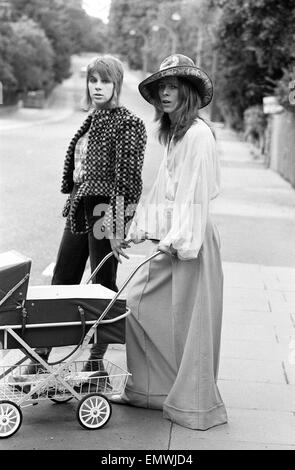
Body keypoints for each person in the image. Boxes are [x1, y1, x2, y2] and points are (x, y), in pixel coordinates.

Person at [111, 54, 228, 430]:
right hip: (175, 238)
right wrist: (141, 227)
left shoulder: (197, 134)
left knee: (190, 327)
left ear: (188, 91)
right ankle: (149, 390)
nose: (165, 92)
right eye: (162, 86)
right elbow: (164, 190)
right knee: (140, 307)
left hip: (191, 242)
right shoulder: (177, 133)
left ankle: (193, 404)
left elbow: (195, 195)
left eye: (173, 85)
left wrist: (177, 239)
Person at [25, 54, 147, 373]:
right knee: (62, 278)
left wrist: (118, 224)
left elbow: (129, 181)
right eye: (93, 80)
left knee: (101, 285)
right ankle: (40, 357)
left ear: (116, 84)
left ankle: (96, 363)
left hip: (104, 210)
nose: (97, 87)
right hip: (81, 206)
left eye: (105, 81)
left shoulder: (128, 123)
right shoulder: (92, 119)